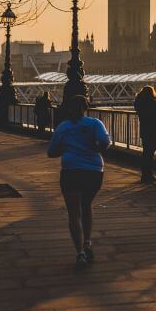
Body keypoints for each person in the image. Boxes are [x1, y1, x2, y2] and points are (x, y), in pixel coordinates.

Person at [46, 96, 110, 265]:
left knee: (74, 212)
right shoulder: (95, 123)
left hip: (71, 170)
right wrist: (95, 148)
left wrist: (67, 149)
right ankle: (88, 242)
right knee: (86, 205)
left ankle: (80, 253)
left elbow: (51, 152)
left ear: (67, 109)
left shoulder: (63, 127)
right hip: (94, 171)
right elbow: (105, 142)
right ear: (85, 107)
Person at [133, 84, 156, 181]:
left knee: (146, 151)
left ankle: (144, 175)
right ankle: (149, 175)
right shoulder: (151, 102)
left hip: (144, 129)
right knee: (150, 152)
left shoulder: (138, 102)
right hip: (153, 128)